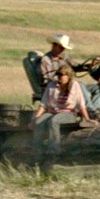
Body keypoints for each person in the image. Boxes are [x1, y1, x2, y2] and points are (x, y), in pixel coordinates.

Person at [32, 36, 90, 168]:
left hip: (66, 110)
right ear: (55, 46)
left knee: (94, 89)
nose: (62, 50)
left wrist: (88, 66)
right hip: (51, 99)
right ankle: (37, 151)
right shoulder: (46, 61)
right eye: (61, 47)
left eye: (64, 48)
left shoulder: (65, 60)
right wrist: (36, 118)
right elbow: (44, 102)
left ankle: (53, 150)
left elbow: (77, 67)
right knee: (39, 122)